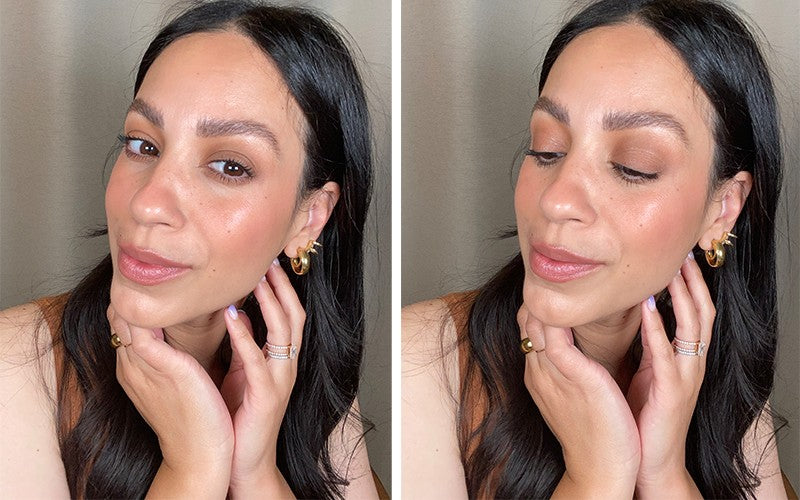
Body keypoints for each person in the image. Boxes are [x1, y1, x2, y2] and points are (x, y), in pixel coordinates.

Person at [403, 0, 795, 498]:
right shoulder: (420, 365)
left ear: (722, 208)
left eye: (634, 166)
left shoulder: (711, 365)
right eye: (547, 149)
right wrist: (596, 475)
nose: (556, 200)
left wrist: (665, 472)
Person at [0, 1, 379, 498]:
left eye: (229, 167)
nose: (147, 204)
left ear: (309, 217)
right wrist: (194, 465)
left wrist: (256, 471)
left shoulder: (298, 366)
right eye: (143, 145)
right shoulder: (14, 372)